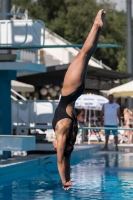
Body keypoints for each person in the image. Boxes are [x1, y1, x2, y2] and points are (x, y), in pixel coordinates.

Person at [52, 9, 106, 190]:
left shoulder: (67, 138)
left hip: (75, 92)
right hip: (70, 91)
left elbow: (65, 160)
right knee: (83, 53)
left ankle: (98, 27)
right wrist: (62, 181)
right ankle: (96, 25)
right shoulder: (62, 129)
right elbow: (60, 160)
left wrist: (67, 180)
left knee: (87, 54)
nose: (56, 146)